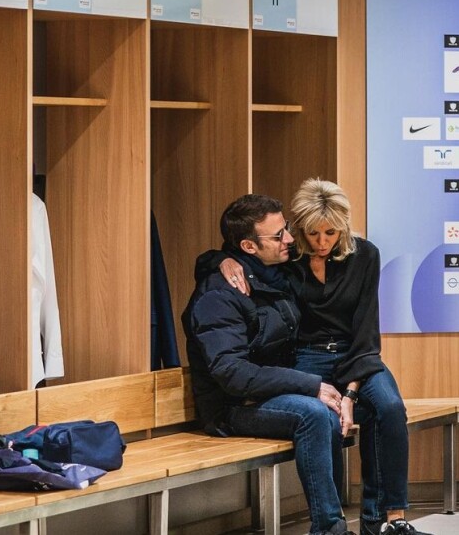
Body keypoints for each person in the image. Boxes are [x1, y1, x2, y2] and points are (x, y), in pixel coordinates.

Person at [216, 179, 431, 535]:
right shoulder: (288, 257)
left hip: (356, 354)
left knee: (389, 407)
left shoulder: (365, 255)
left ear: (343, 227)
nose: (321, 242)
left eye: (331, 232)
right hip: (306, 357)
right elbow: (238, 252)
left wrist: (350, 394)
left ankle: (388, 522)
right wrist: (219, 260)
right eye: (313, 233)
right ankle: (331, 524)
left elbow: (366, 332)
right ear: (299, 228)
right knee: (324, 420)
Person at [182, 194, 355, 535]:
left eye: (286, 229)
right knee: (315, 414)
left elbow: (212, 257)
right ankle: (329, 529)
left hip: (269, 392)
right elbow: (232, 374)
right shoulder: (219, 294)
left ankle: (381, 517)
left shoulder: (273, 274)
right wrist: (308, 385)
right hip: (234, 406)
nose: (289, 239)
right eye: (278, 236)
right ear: (248, 246)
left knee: (364, 403)